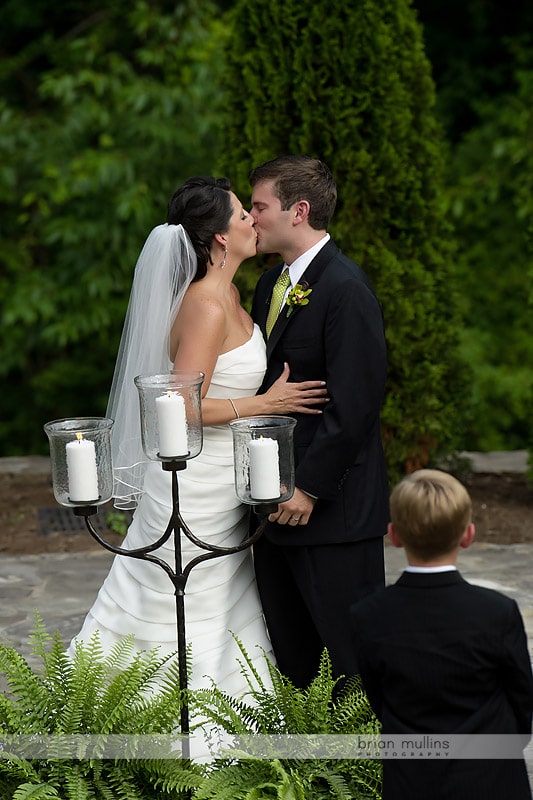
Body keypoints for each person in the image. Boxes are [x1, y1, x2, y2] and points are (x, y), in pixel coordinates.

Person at [68, 176, 327, 695]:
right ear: (222, 238)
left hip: (225, 485)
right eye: (242, 215)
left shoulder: (234, 292)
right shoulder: (207, 304)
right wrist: (266, 404)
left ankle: (229, 729)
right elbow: (179, 408)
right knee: (179, 601)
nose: (254, 220)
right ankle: (157, 727)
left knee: (221, 600)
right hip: (194, 482)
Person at [249, 155, 389, 688]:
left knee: (349, 662)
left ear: (298, 211)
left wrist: (307, 487)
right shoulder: (268, 288)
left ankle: (364, 771)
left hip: (332, 514)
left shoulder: (346, 289)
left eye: (260, 206)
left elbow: (356, 405)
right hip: (271, 510)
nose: (252, 217)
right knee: (294, 662)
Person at [351, 469, 533, 800]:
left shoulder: (367, 615)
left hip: (411, 778)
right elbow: (521, 694)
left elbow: (379, 697)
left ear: (394, 535)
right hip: (492, 777)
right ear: (468, 535)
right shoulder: (496, 612)